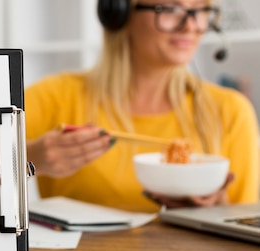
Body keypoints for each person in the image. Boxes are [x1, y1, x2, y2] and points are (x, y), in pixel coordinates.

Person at [25, 0, 259, 212]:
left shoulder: (231, 110)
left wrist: (218, 208)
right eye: (170, 9)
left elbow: (243, 232)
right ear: (120, 13)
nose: (190, 26)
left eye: (199, 10)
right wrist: (31, 158)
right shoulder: (52, 97)